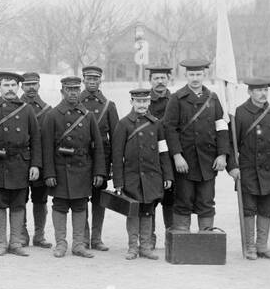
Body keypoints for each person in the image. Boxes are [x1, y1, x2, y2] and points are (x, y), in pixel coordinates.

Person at [162, 59, 231, 233]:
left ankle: (206, 239)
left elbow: (221, 126)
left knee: (206, 201)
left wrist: (222, 154)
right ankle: (182, 237)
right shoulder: (176, 98)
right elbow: (169, 128)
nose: (195, 78)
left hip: (208, 161)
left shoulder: (213, 98)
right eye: (191, 74)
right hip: (185, 161)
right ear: (186, 75)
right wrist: (177, 155)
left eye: (198, 74)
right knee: (183, 200)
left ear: (204, 75)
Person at [40, 76, 105, 259]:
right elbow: (46, 148)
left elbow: (97, 146)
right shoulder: (52, 115)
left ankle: (79, 244)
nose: (73, 93)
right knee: (59, 205)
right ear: (62, 92)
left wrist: (99, 171)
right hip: (60, 169)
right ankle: (61, 243)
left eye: (76, 89)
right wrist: (49, 173)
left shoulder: (88, 115)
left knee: (80, 205)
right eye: (69, 89)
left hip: (82, 169)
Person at [0, 70, 41, 256]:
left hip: (21, 164)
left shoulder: (27, 109)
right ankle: (0, 243)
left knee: (19, 203)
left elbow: (36, 139)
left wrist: (35, 165)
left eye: (13, 85)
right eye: (6, 85)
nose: (10, 89)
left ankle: (15, 243)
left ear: (18, 87)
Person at [227, 79, 270, 260]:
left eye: (265, 90)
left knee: (267, 208)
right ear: (249, 92)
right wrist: (232, 167)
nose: (263, 94)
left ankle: (262, 246)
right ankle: (250, 247)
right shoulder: (239, 113)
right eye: (258, 90)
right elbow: (231, 143)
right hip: (247, 171)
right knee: (248, 209)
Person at [111, 87, 173, 260]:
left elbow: (163, 152)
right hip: (132, 177)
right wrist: (118, 181)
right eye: (138, 101)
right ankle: (132, 248)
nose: (142, 105)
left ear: (149, 102)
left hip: (152, 176)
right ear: (131, 102)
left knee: (148, 211)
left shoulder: (156, 124)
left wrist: (167, 175)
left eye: (145, 101)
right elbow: (116, 156)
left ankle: (145, 247)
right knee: (133, 212)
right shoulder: (123, 124)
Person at [76, 65, 119, 251]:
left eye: (95, 79)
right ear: (83, 80)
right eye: (88, 79)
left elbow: (116, 139)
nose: (92, 82)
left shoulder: (109, 106)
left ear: (100, 80)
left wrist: (112, 166)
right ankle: (83, 238)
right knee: (81, 197)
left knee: (99, 198)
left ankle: (96, 238)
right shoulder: (76, 102)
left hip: (102, 159)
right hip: (81, 158)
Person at [20, 71, 51, 247]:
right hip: (19, 161)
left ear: (39, 85)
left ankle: (39, 235)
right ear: (21, 87)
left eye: (34, 84)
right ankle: (22, 234)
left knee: (40, 199)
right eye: (27, 84)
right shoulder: (15, 106)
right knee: (20, 198)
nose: (31, 87)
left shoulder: (47, 110)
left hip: (41, 161)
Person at [145, 66, 175, 249]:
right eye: (156, 78)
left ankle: (171, 238)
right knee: (150, 199)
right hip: (150, 157)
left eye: (163, 78)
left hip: (171, 156)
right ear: (150, 80)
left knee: (170, 199)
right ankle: (149, 238)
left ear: (168, 79)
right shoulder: (144, 100)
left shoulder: (176, 100)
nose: (160, 81)